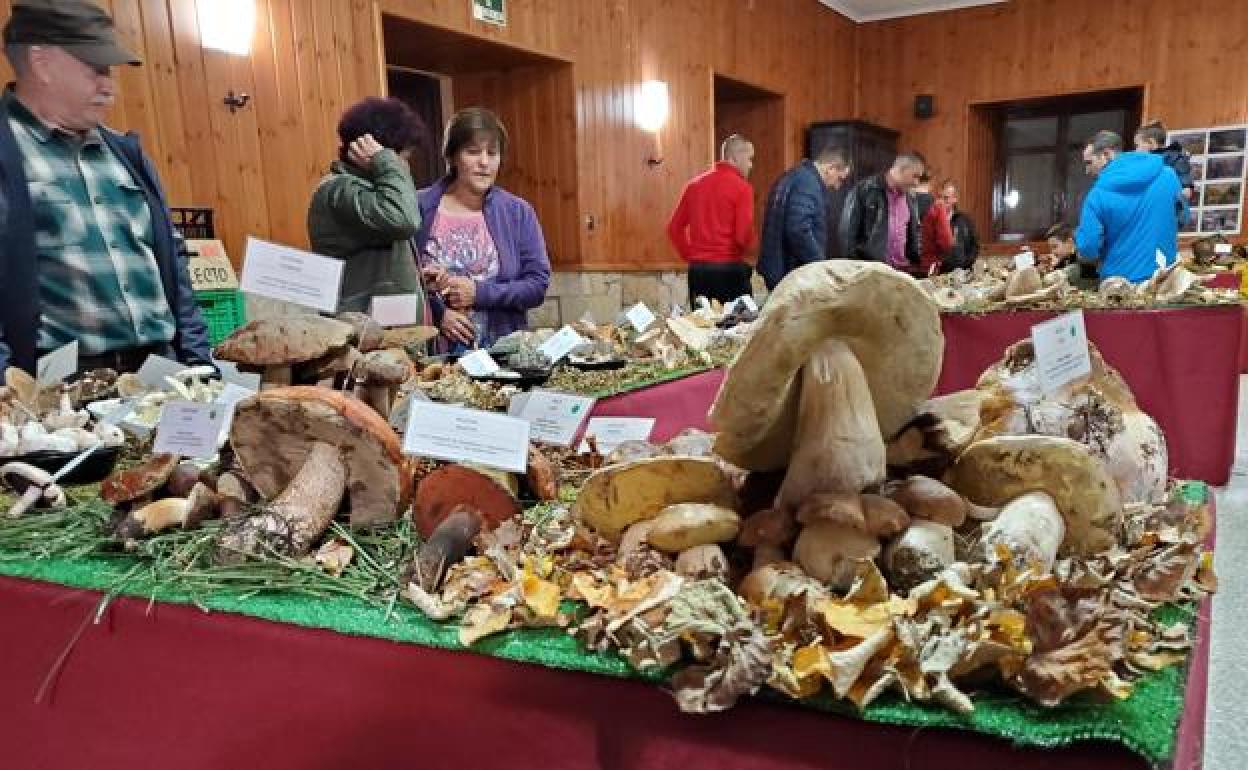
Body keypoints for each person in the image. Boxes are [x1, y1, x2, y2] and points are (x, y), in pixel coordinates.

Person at [0, 0, 211, 381]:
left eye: (110, 71)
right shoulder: (6, 154)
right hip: (59, 393)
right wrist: (10, 390)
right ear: (42, 62)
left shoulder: (127, 154)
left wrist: (197, 361)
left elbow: (174, 266)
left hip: (160, 376)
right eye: (96, 69)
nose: (108, 86)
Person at [414, 107, 551, 351]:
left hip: (505, 356)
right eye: (473, 152)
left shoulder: (517, 212)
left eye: (492, 153)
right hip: (432, 358)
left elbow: (537, 284)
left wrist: (479, 293)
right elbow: (398, 283)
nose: (484, 163)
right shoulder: (417, 207)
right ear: (453, 157)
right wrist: (438, 314)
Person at [307, 97, 432, 318]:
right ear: (370, 149)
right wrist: (385, 160)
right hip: (362, 338)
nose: (404, 166)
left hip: (384, 333)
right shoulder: (338, 191)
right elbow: (404, 219)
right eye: (402, 158)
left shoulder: (376, 189)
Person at [1075, 130, 1181, 283]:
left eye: (1089, 162)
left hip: (1121, 287)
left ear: (1107, 155)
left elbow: (1088, 248)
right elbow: (1182, 217)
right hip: (1165, 280)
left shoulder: (1097, 195)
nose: (1087, 171)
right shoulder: (1169, 175)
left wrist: (1080, 237)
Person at [666, 134, 755, 304]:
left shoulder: (693, 186)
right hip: (729, 270)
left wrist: (691, 256)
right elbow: (743, 235)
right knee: (739, 327)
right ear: (735, 158)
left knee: (701, 326)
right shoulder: (742, 188)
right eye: (750, 159)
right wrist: (751, 252)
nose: (751, 165)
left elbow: (674, 228)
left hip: (699, 271)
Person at [755, 146, 851, 290]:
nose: (837, 186)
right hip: (789, 274)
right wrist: (819, 265)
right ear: (831, 168)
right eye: (840, 179)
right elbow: (798, 229)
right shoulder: (808, 184)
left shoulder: (791, 176)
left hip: (777, 269)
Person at [838, 151, 925, 273]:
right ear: (901, 169)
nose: (916, 183)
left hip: (903, 272)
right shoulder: (864, 190)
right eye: (915, 176)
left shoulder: (911, 198)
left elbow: (914, 234)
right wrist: (856, 271)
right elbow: (847, 236)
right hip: (872, 273)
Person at [1134, 119, 1194, 227]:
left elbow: (1186, 191)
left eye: (1138, 145)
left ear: (1151, 143)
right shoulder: (1142, 164)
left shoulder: (1176, 159)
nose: (1136, 150)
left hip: (1166, 215)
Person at [919, 179, 979, 275]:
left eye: (946, 198)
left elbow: (975, 246)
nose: (941, 201)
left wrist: (965, 265)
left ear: (955, 199)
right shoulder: (930, 220)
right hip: (939, 274)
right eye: (939, 197)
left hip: (963, 274)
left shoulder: (965, 220)